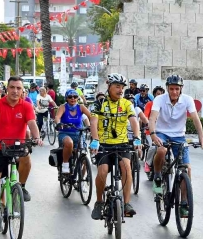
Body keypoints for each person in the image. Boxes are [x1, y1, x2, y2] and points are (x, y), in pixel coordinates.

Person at [0, 76, 42, 234]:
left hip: (17, 145)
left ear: (22, 90)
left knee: (26, 158)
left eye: (18, 88)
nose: (15, 91)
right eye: (12, 87)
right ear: (7, 89)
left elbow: (31, 123)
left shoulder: (26, 106)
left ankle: (21, 187)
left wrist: (37, 137)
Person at [149, 75, 203, 218]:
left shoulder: (187, 100)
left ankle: (183, 203)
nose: (174, 92)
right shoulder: (159, 99)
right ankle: (157, 176)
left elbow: (195, 118)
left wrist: (201, 136)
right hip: (162, 133)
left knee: (186, 168)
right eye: (171, 89)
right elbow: (152, 118)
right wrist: (153, 134)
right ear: (167, 89)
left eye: (177, 89)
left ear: (181, 89)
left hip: (179, 136)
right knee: (162, 150)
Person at [89, 74, 141, 219]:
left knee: (126, 167)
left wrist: (137, 137)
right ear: (109, 86)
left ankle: (126, 204)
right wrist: (95, 139)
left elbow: (133, 120)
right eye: (117, 86)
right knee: (103, 170)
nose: (120, 90)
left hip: (122, 144)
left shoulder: (126, 104)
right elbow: (93, 122)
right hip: (103, 145)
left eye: (122, 87)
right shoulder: (99, 103)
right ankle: (99, 202)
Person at [54, 89, 97, 174]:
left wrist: (92, 125)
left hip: (79, 134)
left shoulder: (81, 107)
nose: (73, 98)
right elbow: (57, 117)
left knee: (84, 157)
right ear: (67, 98)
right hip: (65, 133)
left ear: (78, 98)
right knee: (69, 143)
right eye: (70, 97)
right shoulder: (63, 107)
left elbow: (91, 117)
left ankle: (82, 181)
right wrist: (58, 123)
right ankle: (65, 164)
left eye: (75, 97)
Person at [143, 86, 164, 175]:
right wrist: (149, 126)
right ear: (154, 95)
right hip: (150, 131)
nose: (160, 96)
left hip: (162, 131)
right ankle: (147, 163)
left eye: (161, 94)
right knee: (153, 146)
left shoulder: (165, 104)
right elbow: (146, 116)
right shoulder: (150, 104)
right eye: (158, 94)